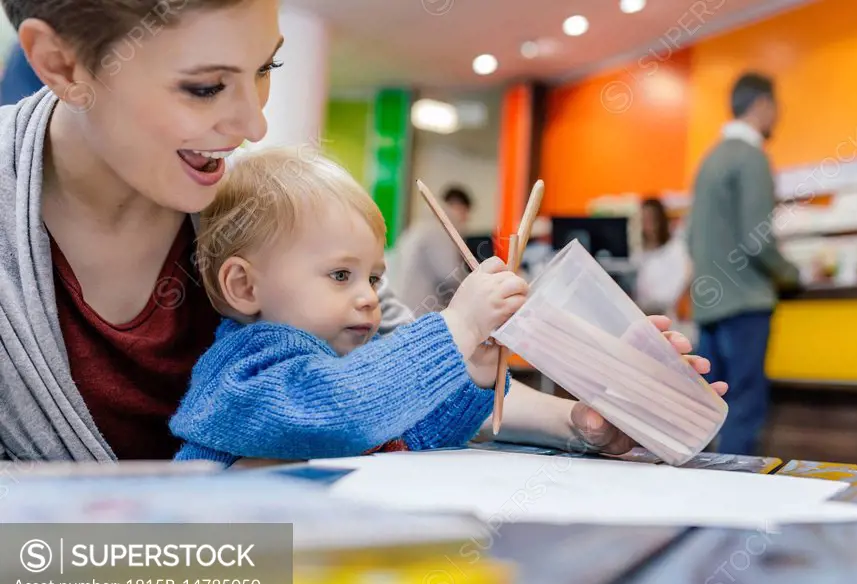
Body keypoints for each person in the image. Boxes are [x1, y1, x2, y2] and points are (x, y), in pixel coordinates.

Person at [0, 0, 723, 465]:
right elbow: (349, 398)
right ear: (62, 64)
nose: (253, 124)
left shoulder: (251, 205)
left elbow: (390, 377)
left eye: (266, 69)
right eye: (203, 86)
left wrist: (588, 418)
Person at [172, 149, 524, 466]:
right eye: (341, 274)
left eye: (372, 279)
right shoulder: (243, 372)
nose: (370, 298)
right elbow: (343, 411)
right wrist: (457, 326)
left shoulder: (344, 362)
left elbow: (407, 437)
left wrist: (475, 370)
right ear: (245, 287)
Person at [687, 72, 799, 457]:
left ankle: (697, 498)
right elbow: (758, 239)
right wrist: (790, 274)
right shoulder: (751, 158)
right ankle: (735, 502)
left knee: (708, 407)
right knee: (744, 407)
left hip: (710, 303)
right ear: (763, 105)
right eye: (776, 108)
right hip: (746, 303)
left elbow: (691, 237)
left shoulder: (710, 158)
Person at [390, 185, 472, 317]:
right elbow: (450, 277)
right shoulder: (439, 231)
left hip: (400, 307)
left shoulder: (417, 228)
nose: (466, 219)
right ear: (457, 207)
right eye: (465, 213)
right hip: (418, 311)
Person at [634, 197, 689, 318]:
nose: (647, 225)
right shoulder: (639, 253)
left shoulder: (676, 249)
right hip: (642, 312)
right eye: (643, 220)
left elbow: (676, 288)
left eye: (651, 220)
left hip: (667, 313)